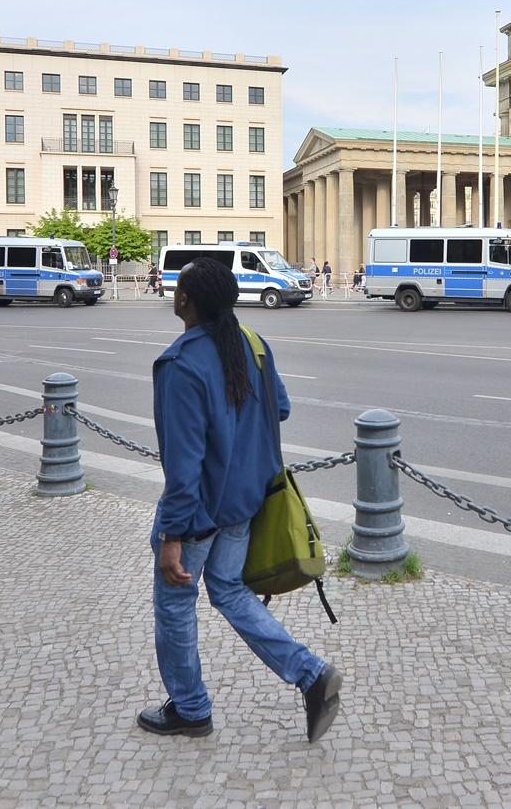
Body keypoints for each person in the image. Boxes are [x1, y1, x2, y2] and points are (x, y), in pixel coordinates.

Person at [141, 258, 342, 741]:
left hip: (198, 512)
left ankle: (190, 709)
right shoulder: (252, 343)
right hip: (247, 500)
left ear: (185, 299)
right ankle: (309, 673)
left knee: (175, 603)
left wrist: (172, 535)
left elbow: (183, 466)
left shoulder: (181, 363)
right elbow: (283, 407)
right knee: (229, 589)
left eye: (179, 287)